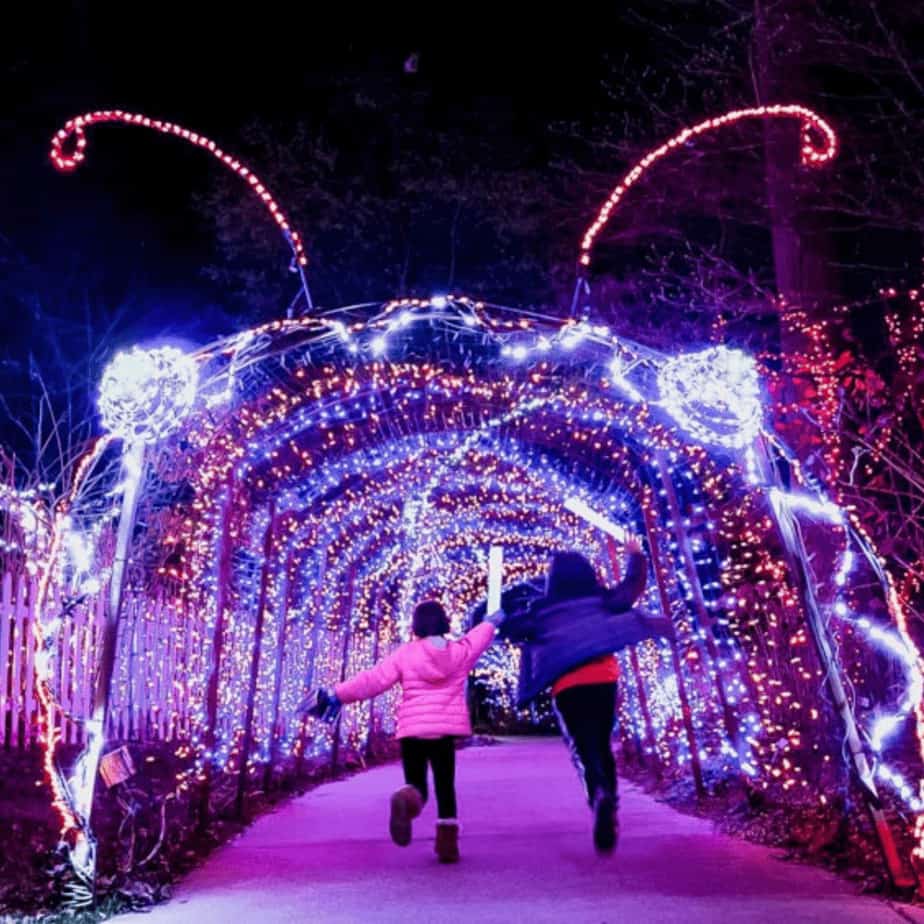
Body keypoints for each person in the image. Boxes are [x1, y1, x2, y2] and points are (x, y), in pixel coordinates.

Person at [498, 537, 666, 854]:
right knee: (601, 743)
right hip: (603, 678)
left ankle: (598, 794)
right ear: (588, 573)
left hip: (568, 685)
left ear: (554, 579)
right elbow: (630, 591)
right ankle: (609, 805)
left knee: (584, 746)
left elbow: (512, 629)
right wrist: (636, 556)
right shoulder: (601, 599)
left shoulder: (542, 610)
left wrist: (499, 614)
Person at [305, 600, 503, 863]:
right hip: (444, 731)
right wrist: (491, 622)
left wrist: (338, 694)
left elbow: (373, 679)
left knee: (417, 784)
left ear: (417, 624)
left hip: (413, 731)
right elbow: (476, 638)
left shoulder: (406, 654)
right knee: (445, 786)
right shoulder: (460, 652)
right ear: (444, 622)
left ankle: (406, 798)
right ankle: (447, 846)